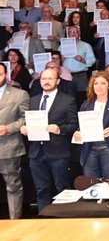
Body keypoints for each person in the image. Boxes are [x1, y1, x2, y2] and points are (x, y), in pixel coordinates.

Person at [20, 67, 78, 212]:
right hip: (36, 153)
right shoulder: (33, 101)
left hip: (58, 152)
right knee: (41, 190)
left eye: (50, 78)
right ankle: (44, 221)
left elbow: (74, 125)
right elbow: (29, 122)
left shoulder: (67, 101)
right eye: (44, 79)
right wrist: (24, 128)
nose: (46, 81)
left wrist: (60, 129)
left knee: (62, 189)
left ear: (57, 81)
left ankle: (65, 221)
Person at [75, 71, 109, 180]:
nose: (99, 86)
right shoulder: (86, 104)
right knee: (90, 184)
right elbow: (81, 125)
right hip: (90, 148)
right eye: (96, 83)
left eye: (103, 83)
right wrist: (78, 132)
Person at [0, 63, 29, 218]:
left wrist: (9, 128)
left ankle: (14, 222)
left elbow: (25, 118)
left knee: (13, 187)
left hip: (8, 147)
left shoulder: (19, 94)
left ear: (6, 75)